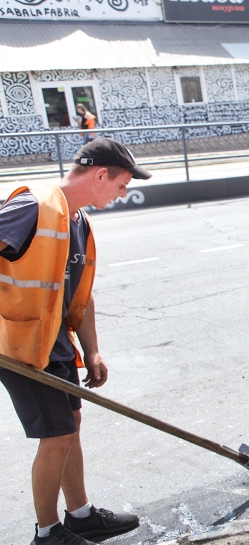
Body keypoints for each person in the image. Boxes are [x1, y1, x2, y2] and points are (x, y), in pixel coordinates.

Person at [0, 138, 151, 544]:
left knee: (71, 425)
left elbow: (80, 295)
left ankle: (80, 515)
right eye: (121, 185)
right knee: (57, 435)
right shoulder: (34, 205)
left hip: (56, 343)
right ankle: (48, 534)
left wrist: (92, 350)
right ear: (101, 175)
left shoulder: (77, 220)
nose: (123, 193)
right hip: (20, 346)